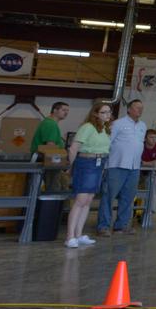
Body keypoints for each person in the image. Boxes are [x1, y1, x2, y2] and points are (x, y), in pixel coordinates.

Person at [64, 100, 110, 248]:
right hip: (86, 163)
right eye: (104, 112)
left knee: (88, 201)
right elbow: (74, 148)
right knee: (80, 200)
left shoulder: (104, 129)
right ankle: (70, 236)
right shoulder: (87, 127)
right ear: (95, 114)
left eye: (109, 112)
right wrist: (71, 167)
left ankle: (79, 234)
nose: (107, 115)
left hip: (99, 163)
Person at [97, 98, 146, 236]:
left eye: (141, 108)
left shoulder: (143, 126)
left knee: (128, 197)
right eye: (137, 107)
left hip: (134, 167)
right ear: (129, 109)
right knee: (109, 197)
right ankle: (103, 226)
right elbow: (108, 142)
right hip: (116, 165)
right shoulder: (117, 124)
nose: (140, 110)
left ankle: (121, 225)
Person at [31, 101, 69, 191]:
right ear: (55, 110)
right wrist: (62, 160)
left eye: (67, 110)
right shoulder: (50, 124)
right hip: (49, 160)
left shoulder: (51, 123)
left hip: (48, 159)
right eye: (64, 110)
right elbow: (50, 147)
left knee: (59, 184)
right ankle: (51, 204)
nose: (66, 112)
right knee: (53, 186)